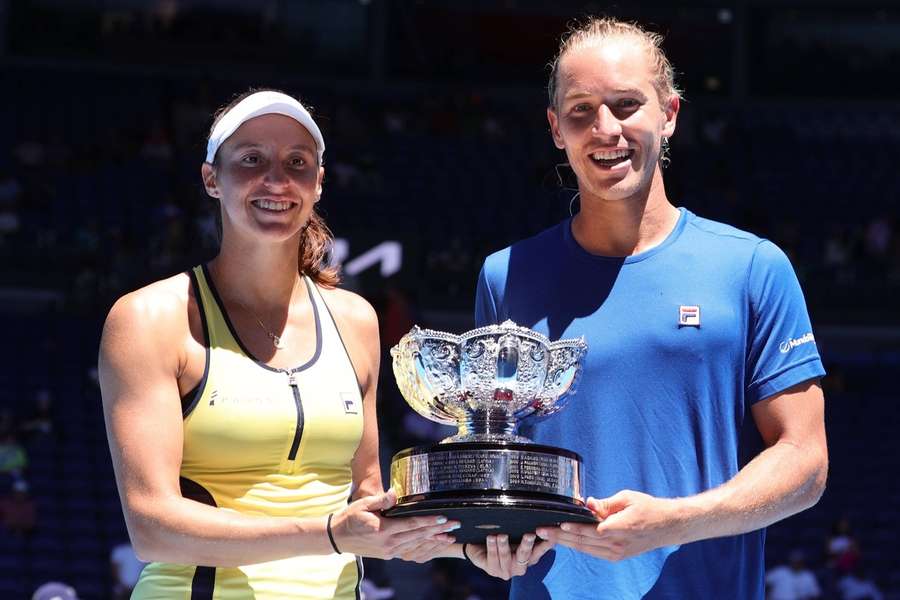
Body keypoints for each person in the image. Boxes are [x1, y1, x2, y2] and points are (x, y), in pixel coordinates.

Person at [474, 17, 828, 599]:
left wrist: (672, 521)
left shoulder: (752, 268)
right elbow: (498, 457)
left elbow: (806, 463)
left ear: (669, 115)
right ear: (555, 129)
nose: (605, 129)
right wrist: (485, 538)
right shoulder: (504, 276)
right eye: (581, 110)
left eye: (626, 104)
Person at [99, 89, 464, 599]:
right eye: (251, 159)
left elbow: (368, 500)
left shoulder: (356, 319)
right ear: (211, 179)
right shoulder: (148, 318)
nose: (276, 180)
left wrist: (472, 540)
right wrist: (331, 535)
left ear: (318, 183)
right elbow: (152, 528)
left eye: (297, 162)